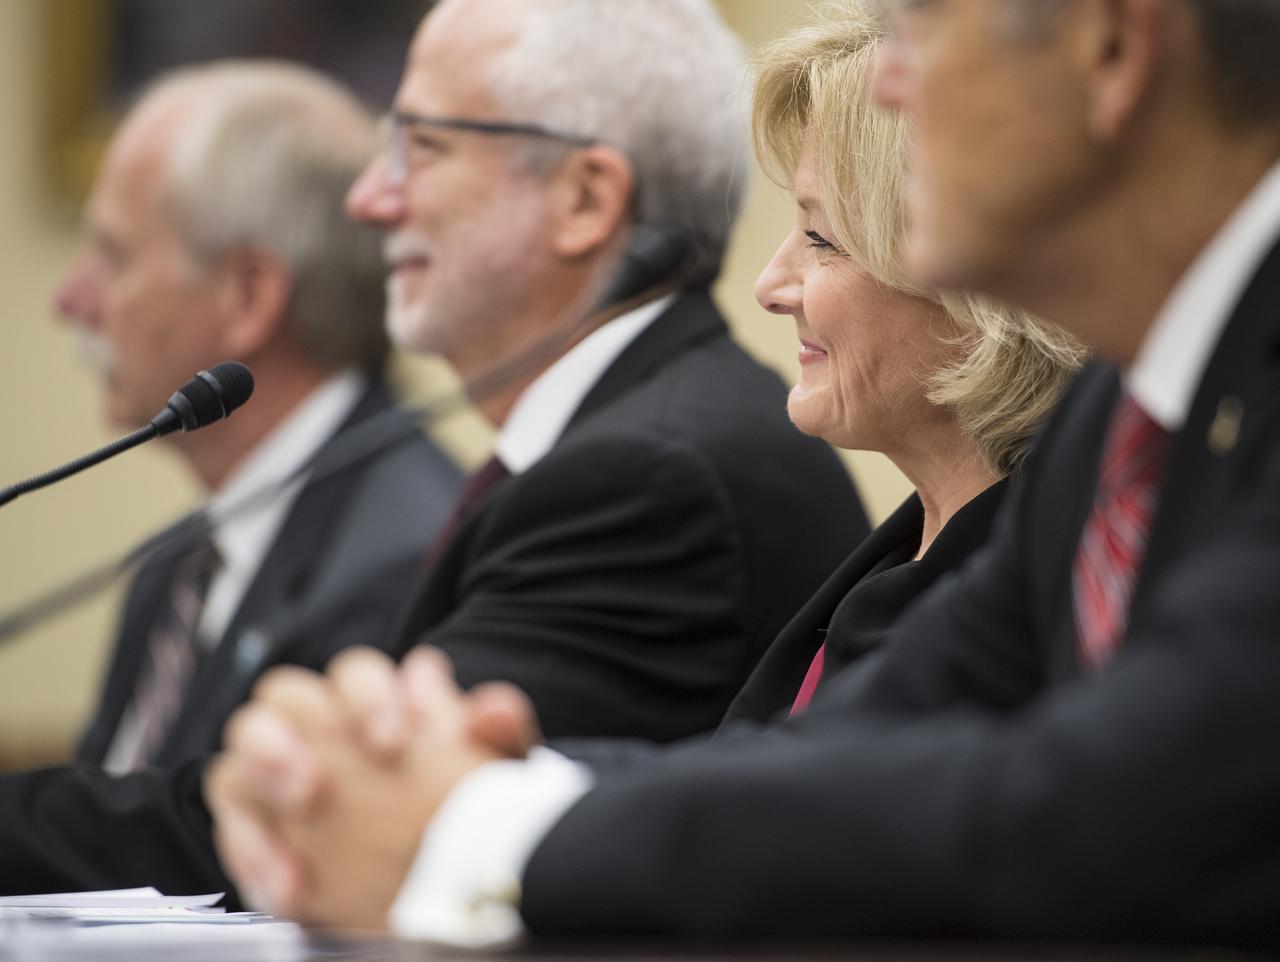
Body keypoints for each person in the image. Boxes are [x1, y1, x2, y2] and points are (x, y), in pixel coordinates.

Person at [208, 0, 1280, 949]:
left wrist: (482, 827)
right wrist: (483, 787)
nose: (892, 82)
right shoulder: (1124, 407)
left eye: (917, 26)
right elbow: (857, 743)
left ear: (1108, 46)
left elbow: (1087, 810)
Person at [0, 0, 863, 899]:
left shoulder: (650, 476)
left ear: (585, 199)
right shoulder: (625, 440)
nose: (371, 199)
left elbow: (353, 806)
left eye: (423, 147)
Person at [51, 60, 461, 771]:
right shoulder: (175, 566)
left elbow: (211, 855)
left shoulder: (403, 561)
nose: (72, 300)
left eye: (114, 257)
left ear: (248, 296)